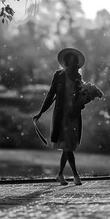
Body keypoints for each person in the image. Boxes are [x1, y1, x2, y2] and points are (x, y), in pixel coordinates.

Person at [33, 48, 86, 186]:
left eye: (75, 60)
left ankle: (60, 174)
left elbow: (80, 96)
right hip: (61, 115)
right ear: (66, 61)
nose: (73, 62)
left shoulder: (78, 78)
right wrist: (41, 111)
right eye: (71, 59)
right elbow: (51, 95)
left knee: (67, 145)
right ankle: (76, 175)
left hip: (73, 115)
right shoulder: (58, 76)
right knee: (67, 145)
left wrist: (82, 102)